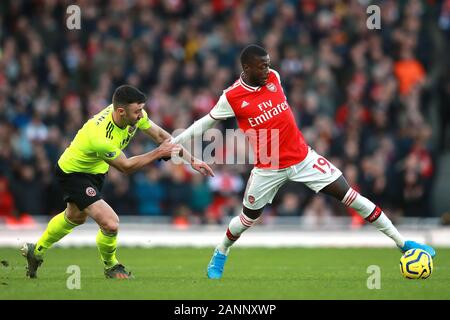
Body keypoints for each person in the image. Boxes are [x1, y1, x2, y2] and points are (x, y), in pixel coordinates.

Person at [173, 44, 436, 280]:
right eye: (262, 65)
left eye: (268, 63)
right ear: (246, 67)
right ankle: (221, 252)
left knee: (352, 197)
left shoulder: (274, 78)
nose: (268, 68)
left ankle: (404, 244)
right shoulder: (232, 97)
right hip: (268, 167)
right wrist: (177, 142)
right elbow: (206, 122)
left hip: (303, 158)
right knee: (246, 220)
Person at [22, 85, 214, 279]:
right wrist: (158, 153)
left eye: (141, 110)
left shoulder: (134, 115)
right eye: (137, 111)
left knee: (75, 217)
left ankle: (36, 251)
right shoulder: (99, 135)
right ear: (121, 112)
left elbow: (162, 137)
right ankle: (111, 266)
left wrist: (192, 160)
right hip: (73, 172)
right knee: (110, 223)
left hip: (96, 173)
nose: (141, 115)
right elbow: (126, 167)